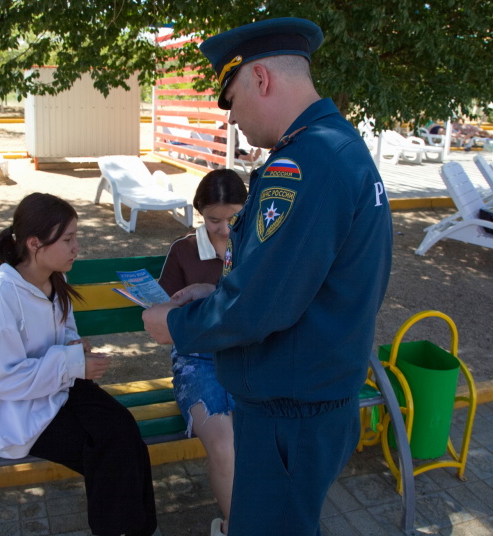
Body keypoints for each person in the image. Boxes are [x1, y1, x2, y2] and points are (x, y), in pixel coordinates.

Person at [142, 17, 393, 536]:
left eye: (230, 101)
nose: (231, 119)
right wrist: (218, 290)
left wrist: (177, 324)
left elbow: (260, 305)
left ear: (261, 78)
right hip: (308, 399)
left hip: (289, 412)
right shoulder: (336, 146)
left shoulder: (305, 163)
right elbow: (298, 282)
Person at [0, 193, 159, 536]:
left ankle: (138, 529)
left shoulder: (55, 279)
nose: (77, 247)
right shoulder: (3, 295)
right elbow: (1, 378)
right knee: (109, 450)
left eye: (76, 237)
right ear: (34, 243)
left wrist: (75, 348)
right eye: (68, 239)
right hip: (20, 409)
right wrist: (71, 362)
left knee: (124, 430)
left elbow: (65, 332)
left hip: (60, 387)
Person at [157, 169, 248, 536]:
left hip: (246, 357)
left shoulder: (257, 245)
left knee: (265, 437)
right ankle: (235, 527)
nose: (225, 229)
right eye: (214, 220)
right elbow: (164, 323)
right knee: (225, 445)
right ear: (199, 213)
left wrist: (210, 293)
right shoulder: (184, 250)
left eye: (234, 218)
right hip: (197, 362)